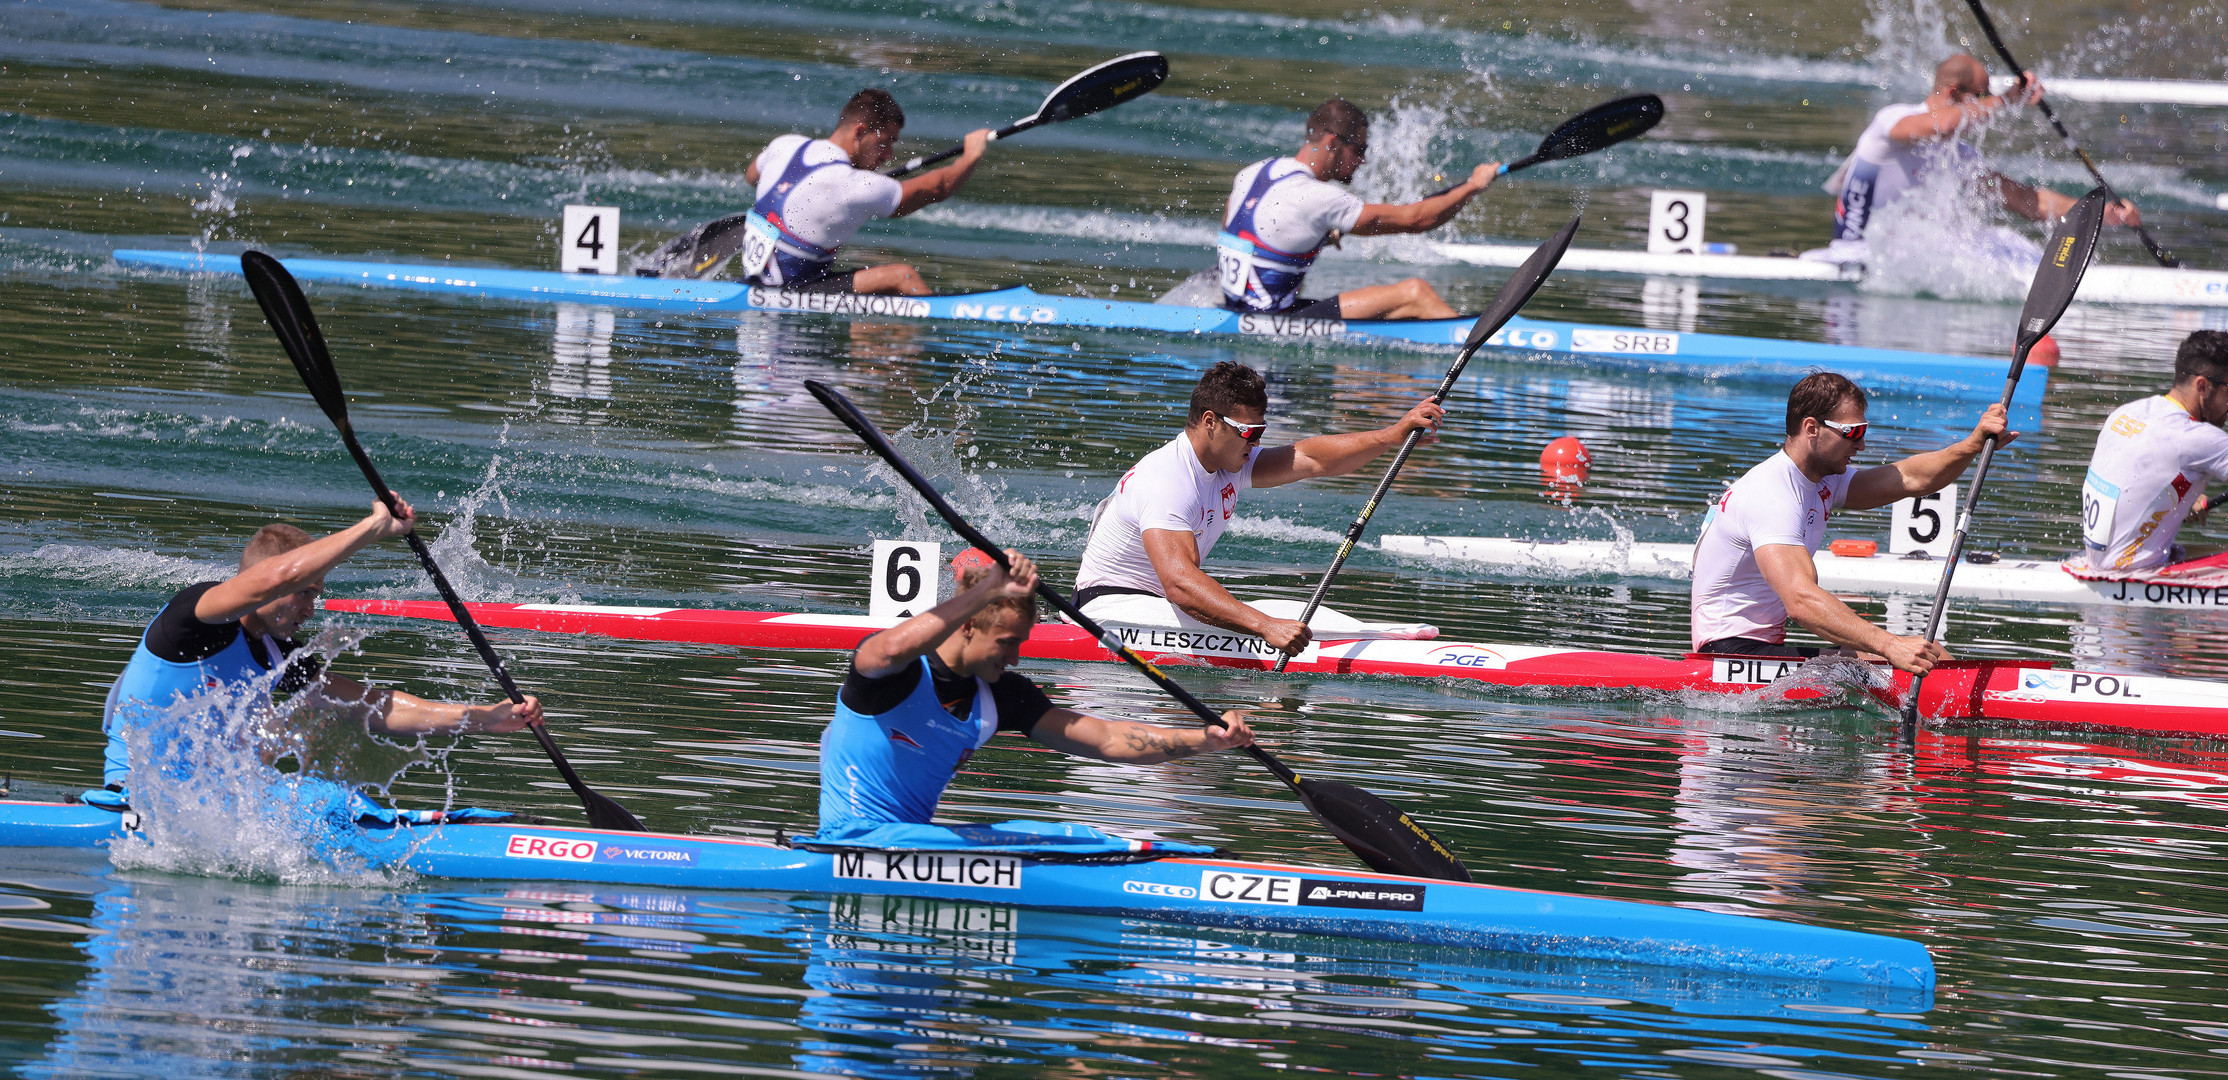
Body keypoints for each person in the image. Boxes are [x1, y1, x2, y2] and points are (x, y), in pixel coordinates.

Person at [102, 498, 541, 799]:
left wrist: (483, 717)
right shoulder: (193, 620)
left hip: (212, 805)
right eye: (307, 593)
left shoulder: (278, 652)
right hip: (138, 801)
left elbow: (373, 707)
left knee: (332, 799)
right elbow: (277, 578)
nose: (311, 609)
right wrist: (373, 528)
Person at [819, 551, 1254, 832]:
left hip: (917, 844)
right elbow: (892, 645)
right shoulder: (891, 675)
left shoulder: (1003, 697)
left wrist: (1206, 741)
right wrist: (989, 587)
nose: (1015, 659)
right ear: (968, 625)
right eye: (1007, 643)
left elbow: (1106, 739)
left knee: (1066, 834)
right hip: (849, 843)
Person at [1071, 361, 1444, 656]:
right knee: (1272, 618)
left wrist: (1391, 435)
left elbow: (1313, 458)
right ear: (1210, 422)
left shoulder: (1228, 459)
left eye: (1262, 431)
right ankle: (1388, 645)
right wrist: (1264, 626)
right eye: (1250, 432)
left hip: (1160, 610)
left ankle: (1386, 638)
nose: (1257, 442)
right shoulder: (1166, 478)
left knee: (1297, 614)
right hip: (1109, 611)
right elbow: (1180, 585)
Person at [1690, 372, 2017, 675]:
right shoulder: (1771, 494)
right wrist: (1891, 645)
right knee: (1910, 659)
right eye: (1853, 433)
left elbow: (1912, 478)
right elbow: (1801, 601)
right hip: (1727, 655)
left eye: (1864, 431)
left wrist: (1973, 444)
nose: (1861, 445)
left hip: (1764, 648)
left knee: (1930, 653)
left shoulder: (1822, 478)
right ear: (1812, 429)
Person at [1804, 54, 2142, 267]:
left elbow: (2027, 200)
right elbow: (1945, 123)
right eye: (1980, 97)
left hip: (1905, 256)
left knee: (2008, 243)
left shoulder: (1959, 155)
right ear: (1953, 93)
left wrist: (2102, 214)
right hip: (1855, 255)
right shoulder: (1893, 120)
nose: (1985, 108)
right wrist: (2008, 99)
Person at [652, 89, 992, 293]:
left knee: (876, 291)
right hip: (793, 290)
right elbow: (939, 187)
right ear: (861, 131)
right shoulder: (857, 185)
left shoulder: (785, 144)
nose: (889, 156)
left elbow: (753, 175)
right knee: (902, 277)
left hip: (758, 281)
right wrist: (972, 155)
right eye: (886, 143)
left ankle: (871, 352)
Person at [1216, 99, 1500, 321]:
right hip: (1268, 319)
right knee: (1416, 294)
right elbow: (1417, 220)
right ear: (1332, 143)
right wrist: (1473, 186)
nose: (1362, 161)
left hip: (1237, 309)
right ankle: (1485, 345)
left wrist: (1316, 234)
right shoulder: (1321, 197)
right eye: (1359, 149)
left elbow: (1242, 231)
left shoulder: (1253, 172)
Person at [2079, 331, 2228, 573]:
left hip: (2100, 565)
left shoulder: (2126, 412)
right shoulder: (2199, 438)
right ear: (2203, 386)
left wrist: (2182, 499)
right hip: (2134, 575)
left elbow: (2137, 482)